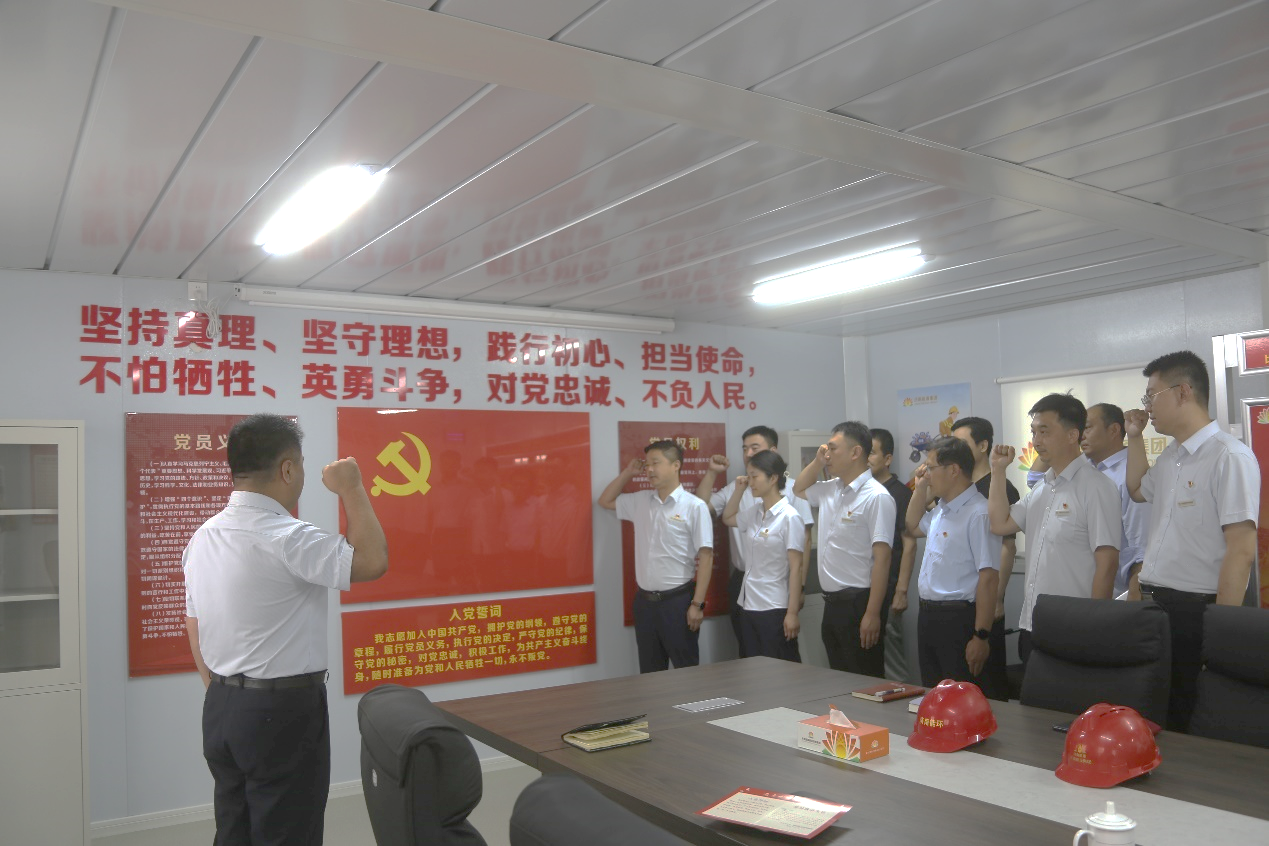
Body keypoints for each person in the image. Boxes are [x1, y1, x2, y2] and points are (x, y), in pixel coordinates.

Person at [183, 414, 389, 846]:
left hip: (221, 706)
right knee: (287, 832)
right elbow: (372, 561)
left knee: (234, 829)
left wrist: (223, 690)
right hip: (281, 712)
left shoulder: (204, 536)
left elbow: (194, 622)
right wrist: (351, 487)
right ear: (288, 469)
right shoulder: (289, 537)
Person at [1125, 350, 1259, 732]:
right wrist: (1134, 437)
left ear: (1183, 391)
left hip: (1195, 611)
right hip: (1153, 606)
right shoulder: (1171, 458)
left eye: (1151, 395)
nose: (1147, 406)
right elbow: (1136, 489)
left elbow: (1241, 551)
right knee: (1153, 713)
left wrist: (1222, 634)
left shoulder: (1229, 456)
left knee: (1189, 716)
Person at [987, 393, 1120, 664]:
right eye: (1033, 432)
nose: (1036, 441)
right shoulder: (1042, 488)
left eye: (1045, 432)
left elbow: (1107, 563)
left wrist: (1095, 627)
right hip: (1033, 623)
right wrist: (998, 471)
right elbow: (1000, 524)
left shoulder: (1096, 486)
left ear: (1072, 435)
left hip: (1075, 627)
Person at [696, 425, 813, 656]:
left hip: (775, 594)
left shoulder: (791, 503)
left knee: (779, 658)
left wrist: (796, 599)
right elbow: (719, 515)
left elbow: (800, 557)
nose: (748, 453)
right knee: (749, 655)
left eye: (755, 448)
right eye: (745, 449)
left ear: (773, 476)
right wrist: (736, 488)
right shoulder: (753, 507)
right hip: (746, 590)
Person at [598, 440, 714, 673]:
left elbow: (706, 556)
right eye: (647, 464)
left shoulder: (694, 506)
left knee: (687, 671)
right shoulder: (641, 501)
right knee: (650, 672)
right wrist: (628, 473)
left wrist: (697, 604)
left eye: (656, 463)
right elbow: (605, 501)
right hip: (645, 603)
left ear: (676, 465)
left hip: (678, 603)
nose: (649, 469)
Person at [793, 421, 895, 677]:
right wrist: (817, 462)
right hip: (832, 604)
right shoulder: (831, 488)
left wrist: (872, 613)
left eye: (833, 449)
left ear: (855, 452)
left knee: (865, 680)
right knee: (839, 679)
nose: (827, 455)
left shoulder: (876, 496)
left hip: (859, 603)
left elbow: (882, 560)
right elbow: (799, 488)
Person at [905, 436, 1002, 695]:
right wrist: (920, 487)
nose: (926, 474)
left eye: (931, 467)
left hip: (959, 620)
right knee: (934, 694)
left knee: (959, 697)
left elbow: (989, 578)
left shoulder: (979, 513)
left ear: (953, 470)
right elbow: (912, 526)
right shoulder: (941, 510)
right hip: (928, 616)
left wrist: (981, 635)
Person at [949, 417, 1019, 698]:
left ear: (982, 446)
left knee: (986, 683)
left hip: (987, 599)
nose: (954, 449)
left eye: (961, 443)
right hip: (961, 600)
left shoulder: (999, 486)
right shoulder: (957, 485)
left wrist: (997, 597)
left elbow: (1007, 547)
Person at [722, 450, 806, 662]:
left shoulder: (789, 517)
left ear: (773, 478)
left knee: (780, 666)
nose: (750, 482)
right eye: (748, 476)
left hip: (774, 606)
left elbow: (796, 568)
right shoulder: (755, 512)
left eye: (754, 476)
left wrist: (792, 613)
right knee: (753, 666)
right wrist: (739, 491)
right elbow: (728, 518)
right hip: (749, 603)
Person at [1080, 403, 1151, 596]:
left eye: (1087, 428)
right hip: (1083, 590)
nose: (1081, 435)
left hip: (1119, 593)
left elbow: (1141, 546)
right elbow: (1035, 479)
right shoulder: (1083, 470)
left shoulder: (1131, 473)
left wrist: (1134, 599)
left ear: (1113, 430)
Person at [867, 428, 916, 682]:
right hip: (863, 589)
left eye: (871, 453)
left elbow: (909, 545)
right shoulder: (862, 492)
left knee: (891, 659)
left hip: (888, 588)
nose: (866, 458)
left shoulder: (901, 494)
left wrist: (901, 591)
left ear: (887, 459)